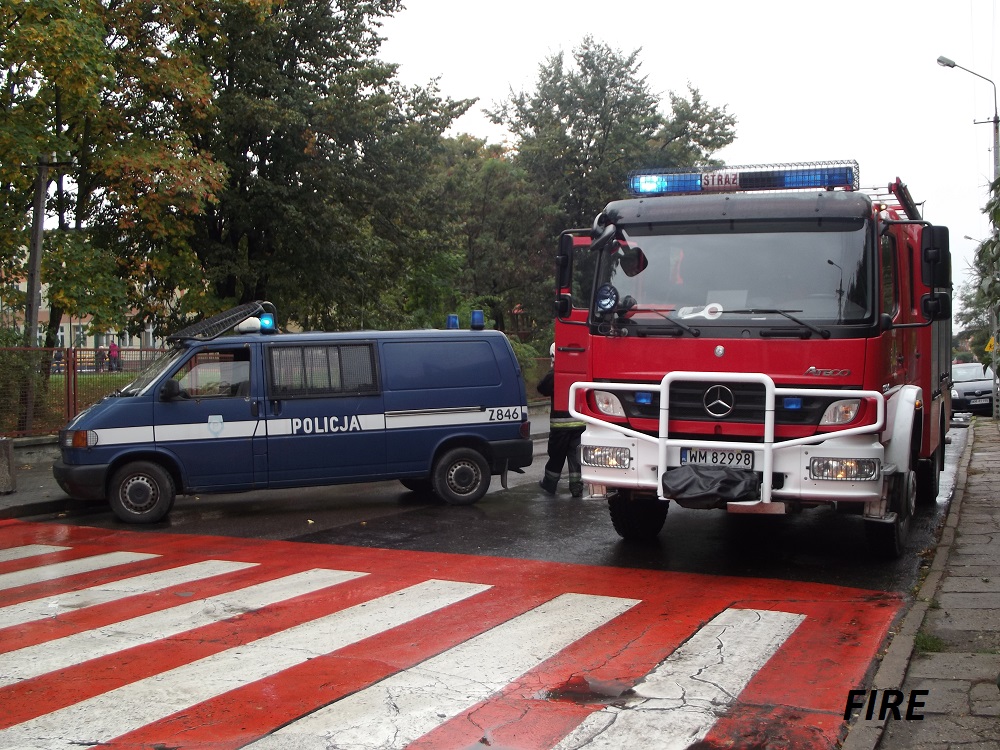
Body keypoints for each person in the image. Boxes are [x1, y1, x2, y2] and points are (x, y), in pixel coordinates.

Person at [537, 343, 586, 497]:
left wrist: (553, 369)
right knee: (576, 457)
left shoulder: (556, 374)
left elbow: (542, 388)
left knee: (556, 456)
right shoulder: (580, 372)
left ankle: (550, 484)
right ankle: (576, 486)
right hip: (580, 424)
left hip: (560, 426)